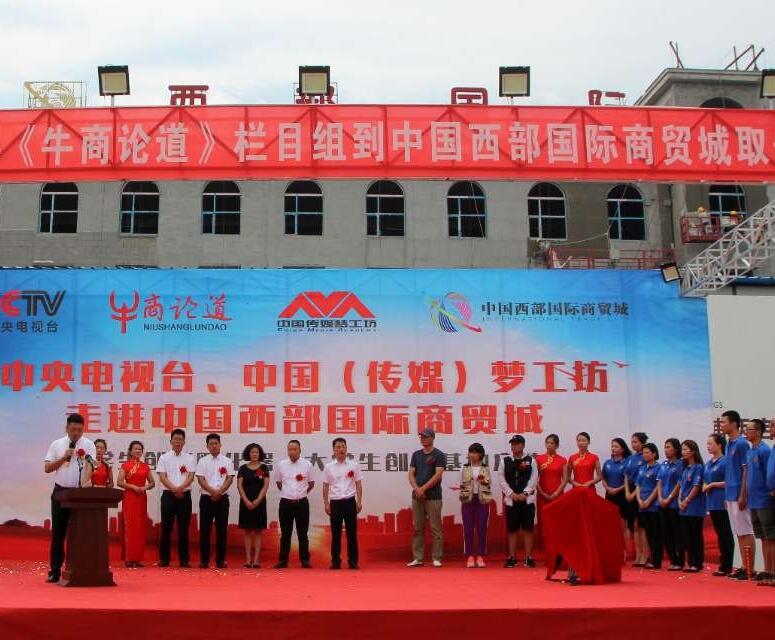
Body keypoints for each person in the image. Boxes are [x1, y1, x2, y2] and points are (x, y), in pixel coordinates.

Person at [43, 413, 96, 583]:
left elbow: (91, 465)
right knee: (58, 533)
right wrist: (63, 458)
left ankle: (80, 568)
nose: (76, 433)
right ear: (66, 428)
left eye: (80, 430)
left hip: (79, 495)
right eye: (73, 429)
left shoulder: (89, 444)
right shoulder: (57, 444)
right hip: (61, 493)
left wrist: (85, 482)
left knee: (81, 533)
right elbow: (47, 468)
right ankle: (55, 570)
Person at [720, 410, 755, 580]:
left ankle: (750, 568)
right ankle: (743, 566)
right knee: (738, 531)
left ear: (734, 424)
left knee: (746, 531)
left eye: (724, 422)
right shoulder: (729, 444)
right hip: (730, 493)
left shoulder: (742, 444)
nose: (722, 425)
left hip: (739, 493)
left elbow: (746, 470)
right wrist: (727, 496)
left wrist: (743, 494)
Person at [156, 428, 195, 568]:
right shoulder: (164, 458)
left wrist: (180, 488)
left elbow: (191, 476)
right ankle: (164, 559)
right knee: (166, 528)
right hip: (168, 495)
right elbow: (162, 476)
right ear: (171, 441)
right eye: (175, 439)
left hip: (184, 495)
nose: (178, 442)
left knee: (183, 529)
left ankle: (184, 560)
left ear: (184, 442)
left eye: (180, 439)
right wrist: (174, 489)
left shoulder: (190, 458)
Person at [322, 438, 363, 570]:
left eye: (343, 446)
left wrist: (359, 501)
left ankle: (353, 561)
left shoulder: (353, 465)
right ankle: (335, 561)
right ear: (333, 450)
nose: (341, 449)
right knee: (336, 534)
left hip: (350, 502)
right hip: (335, 503)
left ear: (346, 449)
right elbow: (325, 486)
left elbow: (358, 484)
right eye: (338, 447)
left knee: (352, 534)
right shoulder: (328, 467)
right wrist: (326, 503)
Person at [742, 419, 774, 584]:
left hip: (765, 499)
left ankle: (772, 571)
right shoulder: (750, 451)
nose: (746, 432)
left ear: (758, 432)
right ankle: (767, 570)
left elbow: (769, 474)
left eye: (749, 429)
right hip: (753, 500)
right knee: (762, 537)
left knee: (770, 537)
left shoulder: (764, 450)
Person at [407, 428, 445, 567]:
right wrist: (417, 489)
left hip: (433, 496)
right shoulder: (416, 455)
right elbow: (411, 473)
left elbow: (438, 475)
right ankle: (418, 558)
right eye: (421, 437)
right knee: (418, 528)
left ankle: (437, 558)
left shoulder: (439, 455)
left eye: (426, 436)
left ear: (433, 438)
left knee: (435, 528)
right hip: (417, 497)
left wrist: (423, 488)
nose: (423, 439)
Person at [195, 434, 234, 569]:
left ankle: (220, 560)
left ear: (220, 445)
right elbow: (200, 479)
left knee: (221, 531)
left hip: (222, 499)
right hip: (207, 499)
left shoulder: (227, 461)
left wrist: (219, 491)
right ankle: (204, 560)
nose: (214, 446)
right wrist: (212, 491)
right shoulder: (202, 461)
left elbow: (229, 479)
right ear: (207, 446)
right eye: (211, 444)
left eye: (216, 443)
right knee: (205, 530)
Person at [274, 439, 315, 569]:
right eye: (290, 449)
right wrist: (288, 494)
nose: (292, 452)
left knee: (303, 533)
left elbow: (311, 483)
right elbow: (279, 483)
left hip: (302, 503)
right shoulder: (281, 465)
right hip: (285, 503)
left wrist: (301, 493)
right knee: (285, 533)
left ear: (300, 450)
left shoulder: (307, 465)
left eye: (294, 449)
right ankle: (283, 560)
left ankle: (305, 560)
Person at [499, 435, 537, 568]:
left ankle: (528, 557)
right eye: (512, 444)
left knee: (528, 529)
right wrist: (511, 494)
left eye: (516, 444)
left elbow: (534, 478)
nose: (513, 446)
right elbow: (501, 479)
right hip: (511, 499)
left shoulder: (531, 460)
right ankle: (512, 557)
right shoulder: (505, 461)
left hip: (527, 500)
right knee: (512, 529)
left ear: (523, 445)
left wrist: (525, 493)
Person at [117, 440, 155, 568]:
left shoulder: (145, 466)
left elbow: (152, 483)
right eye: (135, 449)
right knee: (130, 527)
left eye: (140, 449)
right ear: (130, 451)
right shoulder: (125, 465)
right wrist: (133, 487)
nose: (138, 451)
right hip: (130, 497)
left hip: (141, 498)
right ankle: (129, 558)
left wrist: (144, 487)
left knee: (140, 527)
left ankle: (137, 559)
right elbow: (119, 482)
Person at [459, 442, 494, 568]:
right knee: (468, 529)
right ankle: (469, 556)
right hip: (468, 500)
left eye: (475, 452)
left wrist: (482, 480)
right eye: (471, 452)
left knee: (482, 528)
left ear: (481, 454)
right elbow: (460, 483)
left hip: (482, 500)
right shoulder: (464, 468)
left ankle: (480, 556)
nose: (472, 455)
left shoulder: (486, 468)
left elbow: (489, 483)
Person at [703, 433, 734, 576]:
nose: (708, 446)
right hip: (712, 503)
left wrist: (713, 485)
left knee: (725, 533)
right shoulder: (709, 463)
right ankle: (723, 564)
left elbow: (730, 481)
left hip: (723, 502)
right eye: (707, 444)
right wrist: (705, 485)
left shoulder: (725, 461)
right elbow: (705, 479)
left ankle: (727, 565)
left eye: (711, 443)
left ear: (720, 445)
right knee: (720, 534)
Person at [237, 443, 270, 568]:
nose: (255, 454)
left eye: (256, 452)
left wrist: (257, 500)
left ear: (259, 454)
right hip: (245, 502)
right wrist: (246, 500)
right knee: (247, 530)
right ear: (248, 454)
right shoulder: (243, 468)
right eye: (252, 452)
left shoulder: (264, 468)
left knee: (258, 531)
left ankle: (256, 560)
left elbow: (265, 486)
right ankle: (248, 560)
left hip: (259, 503)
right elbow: (239, 486)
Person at [535, 433, 567, 549]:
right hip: (542, 495)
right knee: (543, 521)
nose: (549, 445)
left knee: (557, 521)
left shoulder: (562, 460)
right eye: (547, 443)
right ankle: (544, 547)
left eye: (552, 443)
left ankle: (557, 547)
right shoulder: (539, 459)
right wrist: (542, 492)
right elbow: (534, 478)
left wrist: (556, 493)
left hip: (557, 495)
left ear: (557, 445)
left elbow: (565, 479)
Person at [601, 437, 631, 562]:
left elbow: (628, 481)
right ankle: (612, 551)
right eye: (612, 446)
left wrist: (618, 489)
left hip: (622, 495)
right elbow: (603, 478)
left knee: (623, 525)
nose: (613, 448)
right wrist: (607, 487)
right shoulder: (607, 463)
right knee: (610, 525)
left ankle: (625, 552)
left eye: (616, 446)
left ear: (622, 449)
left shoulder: (627, 462)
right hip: (609, 495)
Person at [678, 440, 705, 572]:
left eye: (685, 449)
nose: (682, 452)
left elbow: (696, 486)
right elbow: (681, 487)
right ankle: (690, 562)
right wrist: (680, 500)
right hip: (684, 508)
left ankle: (697, 563)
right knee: (686, 536)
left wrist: (687, 500)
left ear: (693, 451)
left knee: (695, 535)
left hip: (694, 507)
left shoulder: (698, 467)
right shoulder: (685, 469)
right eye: (682, 449)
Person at [656, 438, 683, 571]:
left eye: (669, 447)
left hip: (674, 504)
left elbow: (679, 483)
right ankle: (672, 559)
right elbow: (659, 482)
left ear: (676, 449)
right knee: (666, 533)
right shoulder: (663, 464)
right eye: (665, 447)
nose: (666, 450)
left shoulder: (680, 464)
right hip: (662, 503)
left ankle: (679, 560)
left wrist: (670, 497)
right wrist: (660, 497)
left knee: (677, 533)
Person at [636, 443, 662, 569]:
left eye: (647, 452)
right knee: (648, 533)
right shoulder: (642, 468)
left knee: (656, 533)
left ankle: (656, 560)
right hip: (642, 504)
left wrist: (649, 500)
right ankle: (651, 557)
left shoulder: (658, 467)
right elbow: (638, 485)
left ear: (654, 454)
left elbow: (658, 486)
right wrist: (639, 500)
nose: (645, 455)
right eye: (643, 453)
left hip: (653, 505)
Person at [624, 432, 649, 566]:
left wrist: (634, 493)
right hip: (629, 491)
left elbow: (642, 477)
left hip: (640, 491)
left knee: (642, 525)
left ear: (643, 443)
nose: (633, 444)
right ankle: (638, 555)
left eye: (636, 442)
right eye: (632, 442)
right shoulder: (630, 458)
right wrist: (627, 492)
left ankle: (645, 554)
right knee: (633, 525)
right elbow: (626, 475)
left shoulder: (645, 457)